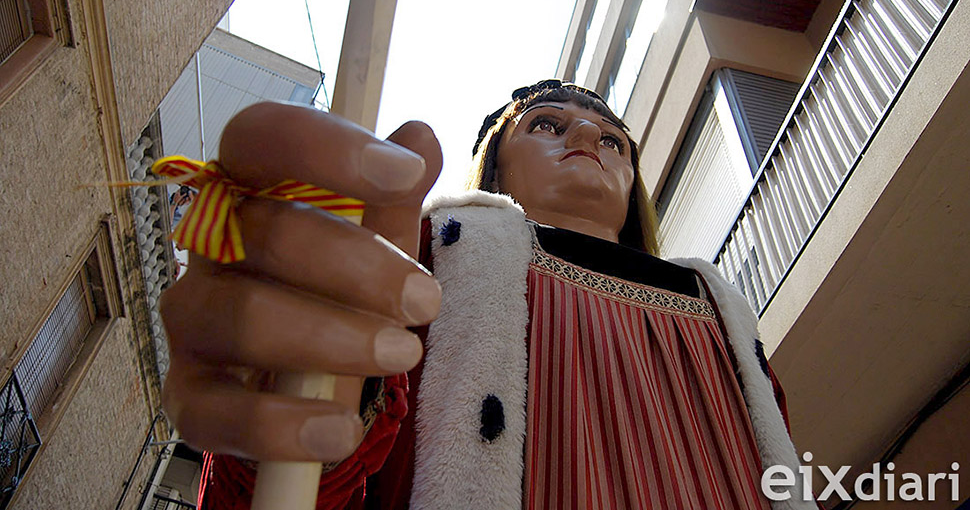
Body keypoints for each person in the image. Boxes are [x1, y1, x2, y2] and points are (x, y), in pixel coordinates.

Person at [160, 80, 811, 509]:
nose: (586, 139)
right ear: (497, 165)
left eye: (611, 139)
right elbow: (315, 478)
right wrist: (291, 409)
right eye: (548, 125)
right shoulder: (416, 264)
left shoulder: (727, 317)